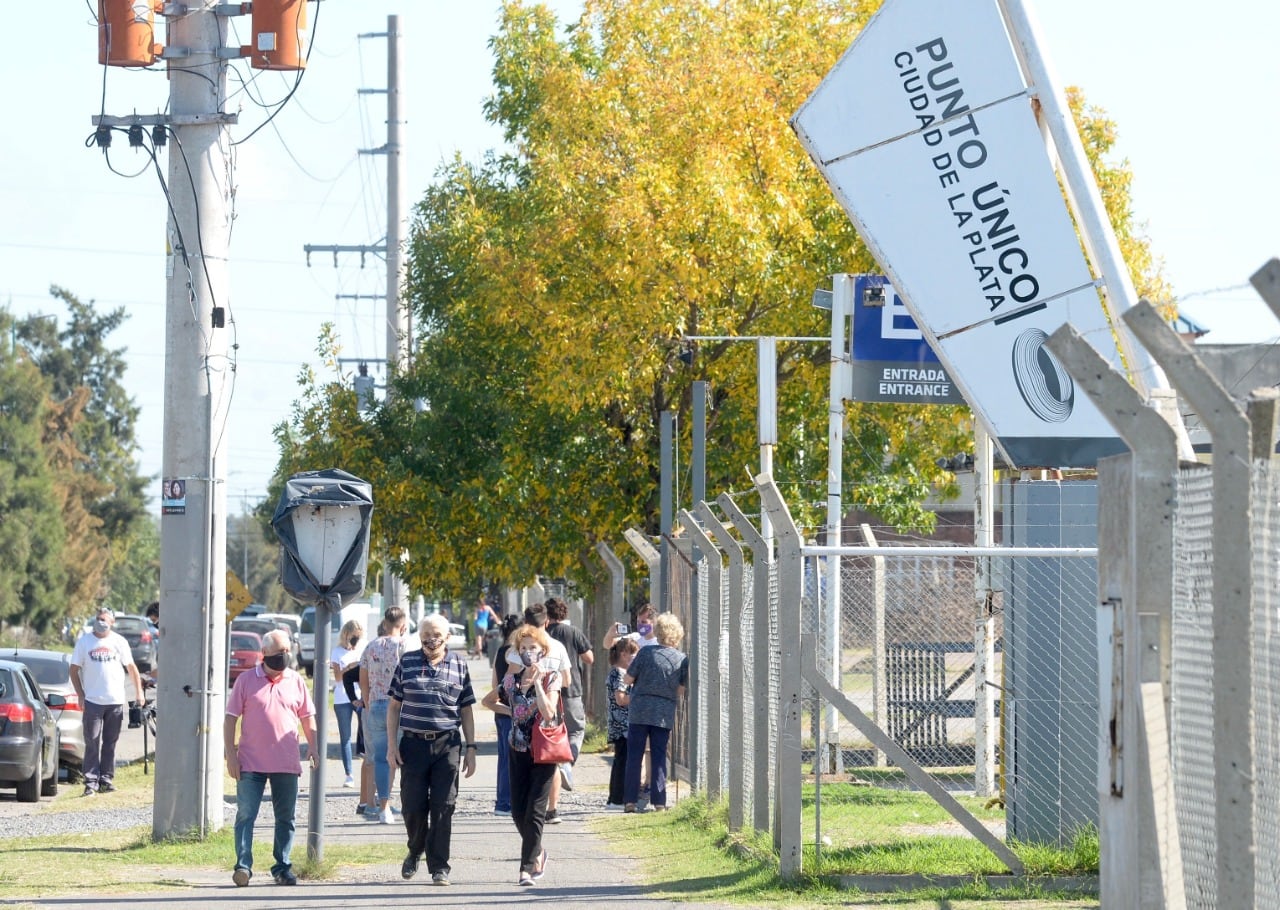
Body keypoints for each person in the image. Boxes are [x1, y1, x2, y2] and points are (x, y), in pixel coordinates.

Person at [387, 613, 477, 887]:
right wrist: (391, 746)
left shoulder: (459, 664)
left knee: (443, 806)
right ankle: (416, 849)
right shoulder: (408, 661)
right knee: (412, 806)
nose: (431, 638)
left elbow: (466, 709)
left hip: (447, 744)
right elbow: (394, 707)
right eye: (426, 633)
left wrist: (471, 747)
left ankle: (440, 867)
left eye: (436, 634)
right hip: (413, 744)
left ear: (447, 637)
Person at [224, 630, 318, 887]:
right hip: (250, 763)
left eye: (287, 651)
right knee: (246, 814)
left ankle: (282, 866)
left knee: (286, 817)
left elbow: (307, 717)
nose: (284, 657)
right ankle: (243, 866)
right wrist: (230, 755)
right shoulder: (245, 681)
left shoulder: (296, 681)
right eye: (279, 653)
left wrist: (314, 746)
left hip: (286, 762)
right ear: (264, 654)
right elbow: (230, 718)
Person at [500, 623, 561, 886]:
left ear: (542, 650)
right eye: (523, 648)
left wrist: (537, 683)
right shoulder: (510, 679)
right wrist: (511, 713)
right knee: (517, 811)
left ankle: (526, 869)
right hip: (517, 748)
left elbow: (549, 713)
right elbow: (490, 700)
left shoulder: (552, 676)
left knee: (535, 811)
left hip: (543, 750)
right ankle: (538, 852)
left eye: (532, 648)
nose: (527, 652)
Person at [70, 607, 145, 796]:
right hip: (93, 701)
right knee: (92, 741)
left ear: (112, 622)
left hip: (115, 701)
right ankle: (91, 781)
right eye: (98, 618)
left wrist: (139, 694)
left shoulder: (119, 642)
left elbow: (132, 668)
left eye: (104, 619)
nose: (100, 622)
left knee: (110, 742)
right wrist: (80, 694)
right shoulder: (85, 642)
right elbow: (73, 670)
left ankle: (106, 779)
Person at [619, 612, 688, 813]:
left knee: (634, 756)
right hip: (663, 713)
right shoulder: (681, 659)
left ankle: (630, 801)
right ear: (677, 635)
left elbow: (628, 679)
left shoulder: (645, 653)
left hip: (639, 710)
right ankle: (659, 802)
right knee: (658, 756)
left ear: (657, 632)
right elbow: (681, 690)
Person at [513, 602, 573, 823]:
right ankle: (552, 808)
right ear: (546, 621)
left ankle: (532, 808)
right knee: (550, 758)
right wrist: (552, 682)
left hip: (527, 712)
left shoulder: (518, 646)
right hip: (549, 708)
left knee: (528, 761)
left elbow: (510, 679)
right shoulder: (557, 646)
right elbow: (567, 679)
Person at [359, 605, 408, 824]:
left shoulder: (370, 646)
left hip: (376, 705)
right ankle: (390, 802)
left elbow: (363, 679)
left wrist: (368, 703)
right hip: (397, 707)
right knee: (395, 757)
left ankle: (383, 807)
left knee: (379, 757)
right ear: (403, 626)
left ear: (385, 623)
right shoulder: (404, 647)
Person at [544, 597, 593, 796]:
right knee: (576, 729)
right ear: (565, 614)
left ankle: (553, 765)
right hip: (571, 688)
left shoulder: (543, 635)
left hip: (548, 690)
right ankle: (567, 761)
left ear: (547, 615)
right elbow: (589, 658)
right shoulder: (573, 632)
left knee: (551, 729)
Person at [481, 613, 524, 816]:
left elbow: (494, 684)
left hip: (500, 710)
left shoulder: (500, 651)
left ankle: (502, 801)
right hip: (514, 711)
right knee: (513, 758)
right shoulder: (516, 654)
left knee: (504, 758)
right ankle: (507, 802)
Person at [605, 637, 639, 809]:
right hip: (622, 725)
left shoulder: (615, 671)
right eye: (634, 654)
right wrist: (639, 697)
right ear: (624, 654)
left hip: (619, 724)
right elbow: (620, 699)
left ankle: (614, 798)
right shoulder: (619, 673)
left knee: (619, 761)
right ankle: (617, 799)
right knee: (622, 762)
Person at [330, 619, 365, 787]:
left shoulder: (361, 652)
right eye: (354, 637)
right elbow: (337, 678)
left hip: (359, 696)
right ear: (346, 635)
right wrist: (350, 668)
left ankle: (368, 768)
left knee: (365, 732)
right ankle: (349, 774)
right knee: (345, 737)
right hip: (342, 698)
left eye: (358, 637)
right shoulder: (336, 652)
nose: (355, 640)